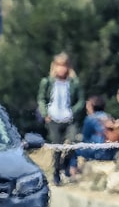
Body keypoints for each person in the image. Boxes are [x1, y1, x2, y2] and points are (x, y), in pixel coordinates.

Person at [36, 52, 84, 185]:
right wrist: (45, 113)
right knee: (57, 146)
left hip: (69, 118)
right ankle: (56, 172)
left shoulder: (74, 83)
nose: (61, 69)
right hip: (54, 118)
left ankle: (65, 164)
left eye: (64, 66)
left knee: (73, 142)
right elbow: (41, 99)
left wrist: (73, 111)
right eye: (59, 66)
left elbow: (81, 101)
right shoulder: (47, 82)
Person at [67, 95, 117, 177]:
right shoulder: (108, 116)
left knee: (75, 151)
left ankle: (72, 175)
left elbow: (85, 137)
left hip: (98, 152)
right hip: (111, 151)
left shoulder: (90, 118)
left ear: (92, 106)